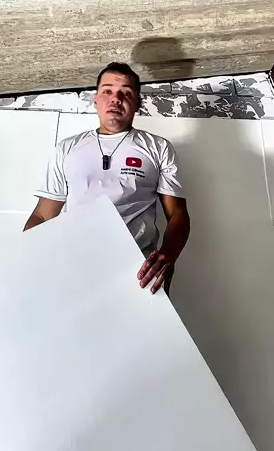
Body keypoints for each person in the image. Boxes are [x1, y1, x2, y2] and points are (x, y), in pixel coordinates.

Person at [24, 62, 190, 294]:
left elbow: (177, 213)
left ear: (138, 103)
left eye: (126, 93)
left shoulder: (158, 147)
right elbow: (43, 215)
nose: (115, 99)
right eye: (107, 91)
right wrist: (25, 259)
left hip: (138, 272)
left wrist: (169, 256)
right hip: (71, 266)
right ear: (96, 100)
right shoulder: (67, 148)